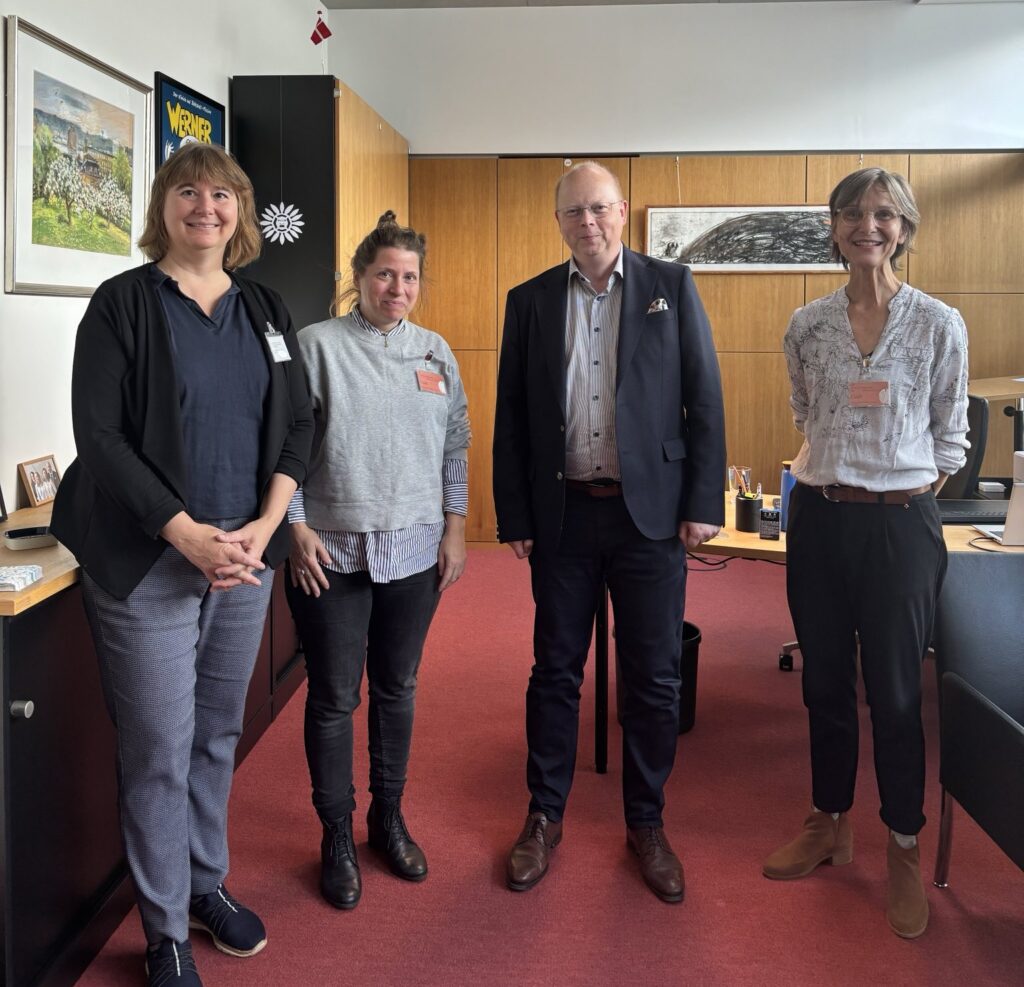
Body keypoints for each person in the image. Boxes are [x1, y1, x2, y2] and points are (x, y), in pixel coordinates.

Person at [50, 143, 314, 987]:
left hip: (244, 558)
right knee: (161, 743)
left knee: (217, 732)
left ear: (241, 211)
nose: (207, 206)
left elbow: (300, 423)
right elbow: (102, 440)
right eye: (188, 192)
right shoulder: (122, 304)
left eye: (223, 194)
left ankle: (205, 882)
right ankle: (163, 927)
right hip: (147, 557)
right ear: (164, 205)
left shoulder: (266, 309)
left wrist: (268, 523)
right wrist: (185, 533)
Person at [493, 162, 726, 903]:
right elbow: (512, 418)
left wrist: (703, 500)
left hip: (647, 517)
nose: (587, 222)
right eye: (573, 212)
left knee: (654, 679)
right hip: (563, 513)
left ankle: (647, 823)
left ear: (621, 212)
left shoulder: (670, 286)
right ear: (558, 219)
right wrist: (516, 514)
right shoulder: (528, 300)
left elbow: (704, 399)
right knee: (555, 670)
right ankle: (543, 816)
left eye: (599, 208)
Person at [763, 167, 969, 940]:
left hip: (900, 525)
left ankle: (904, 842)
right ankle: (830, 820)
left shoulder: (939, 323)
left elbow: (951, 433)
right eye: (852, 213)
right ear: (834, 227)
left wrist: (898, 490)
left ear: (904, 228)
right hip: (818, 516)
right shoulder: (806, 324)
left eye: (883, 214)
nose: (866, 226)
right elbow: (803, 411)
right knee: (823, 681)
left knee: (896, 692)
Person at [285, 211, 471, 911]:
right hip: (328, 552)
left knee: (398, 686)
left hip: (416, 551)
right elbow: (288, 446)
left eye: (410, 277)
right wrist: (295, 528)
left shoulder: (436, 353)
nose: (398, 287)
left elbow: (456, 445)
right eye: (386, 274)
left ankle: (386, 818)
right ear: (359, 278)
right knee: (334, 696)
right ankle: (335, 834)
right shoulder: (316, 347)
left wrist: (455, 529)